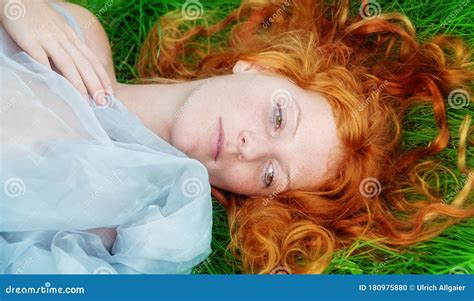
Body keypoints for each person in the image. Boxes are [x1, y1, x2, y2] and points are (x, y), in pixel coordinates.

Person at [1, 0, 473, 274]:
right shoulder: (79, 30)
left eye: (270, 173)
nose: (251, 148)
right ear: (262, 65)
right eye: (278, 117)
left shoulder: (131, 223)